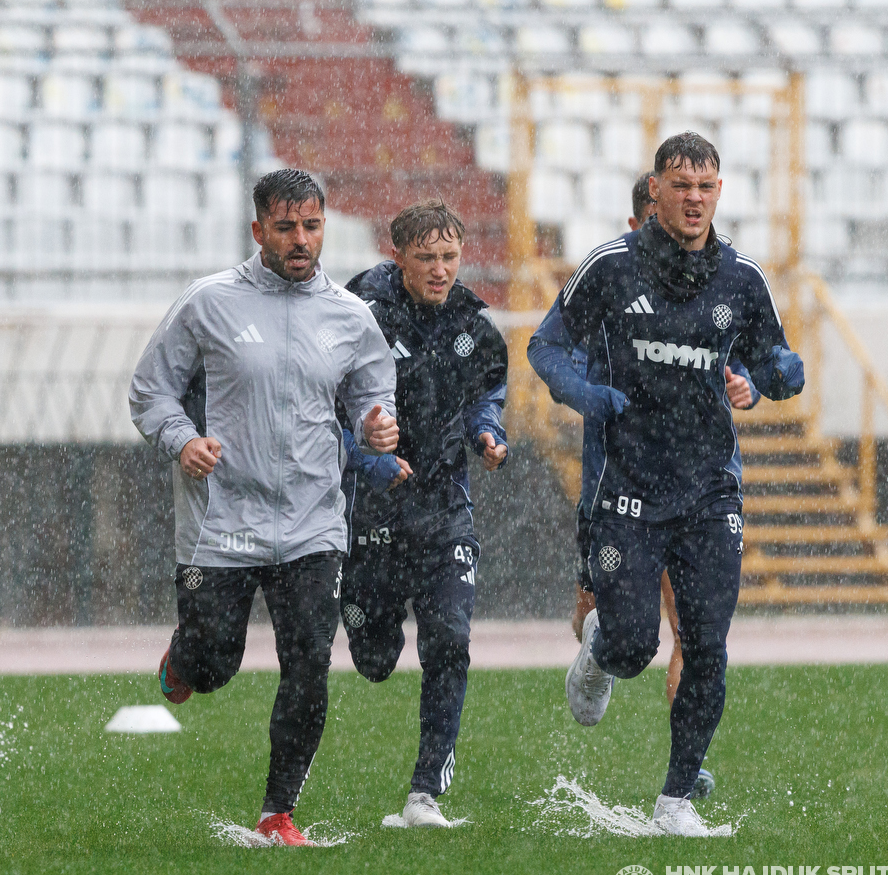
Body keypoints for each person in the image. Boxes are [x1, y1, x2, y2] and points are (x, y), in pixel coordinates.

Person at [529, 133, 803, 836]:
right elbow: (546, 343)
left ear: (719, 192)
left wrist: (777, 374)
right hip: (628, 482)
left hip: (710, 487)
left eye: (706, 186)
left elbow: (771, 360)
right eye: (681, 185)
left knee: (707, 641)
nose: (694, 198)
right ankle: (598, 655)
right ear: (655, 190)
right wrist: (580, 391)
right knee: (632, 644)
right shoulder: (613, 267)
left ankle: (676, 799)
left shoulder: (741, 279)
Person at [129, 169, 400, 847]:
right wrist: (183, 439)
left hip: (312, 522)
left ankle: (278, 813)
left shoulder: (348, 313)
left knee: (309, 663)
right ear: (258, 231)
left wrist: (378, 425)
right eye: (286, 227)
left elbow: (375, 391)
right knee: (215, 664)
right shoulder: (209, 302)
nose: (301, 239)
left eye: (311, 226)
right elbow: (149, 392)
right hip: (223, 519)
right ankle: (185, 661)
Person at [565, 172, 761, 801]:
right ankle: (604, 652)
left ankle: (686, 767)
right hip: (617, 487)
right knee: (619, 630)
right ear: (639, 223)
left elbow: (753, 361)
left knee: (697, 632)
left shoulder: (711, 292)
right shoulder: (612, 295)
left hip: (697, 487)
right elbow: (562, 360)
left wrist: (747, 381)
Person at [335, 200, 508, 829]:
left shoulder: (475, 323)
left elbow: (488, 390)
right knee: (376, 662)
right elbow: (324, 404)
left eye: (450, 257)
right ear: (398, 254)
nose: (441, 270)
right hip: (372, 514)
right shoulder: (360, 312)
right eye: (427, 258)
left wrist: (488, 432)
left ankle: (424, 793)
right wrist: (367, 455)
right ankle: (361, 616)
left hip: (444, 510)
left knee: (452, 642)